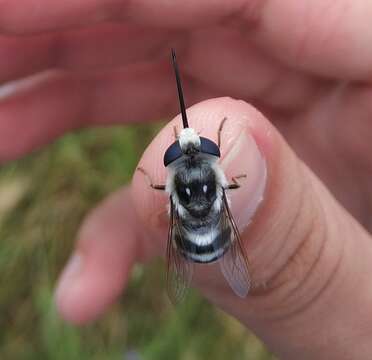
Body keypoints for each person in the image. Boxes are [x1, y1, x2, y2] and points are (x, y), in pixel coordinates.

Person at [1, 1, 372, 358]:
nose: (196, 151)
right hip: (210, 236)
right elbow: (224, 188)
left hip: (197, 239)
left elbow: (170, 198)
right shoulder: (217, 177)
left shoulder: (175, 186)